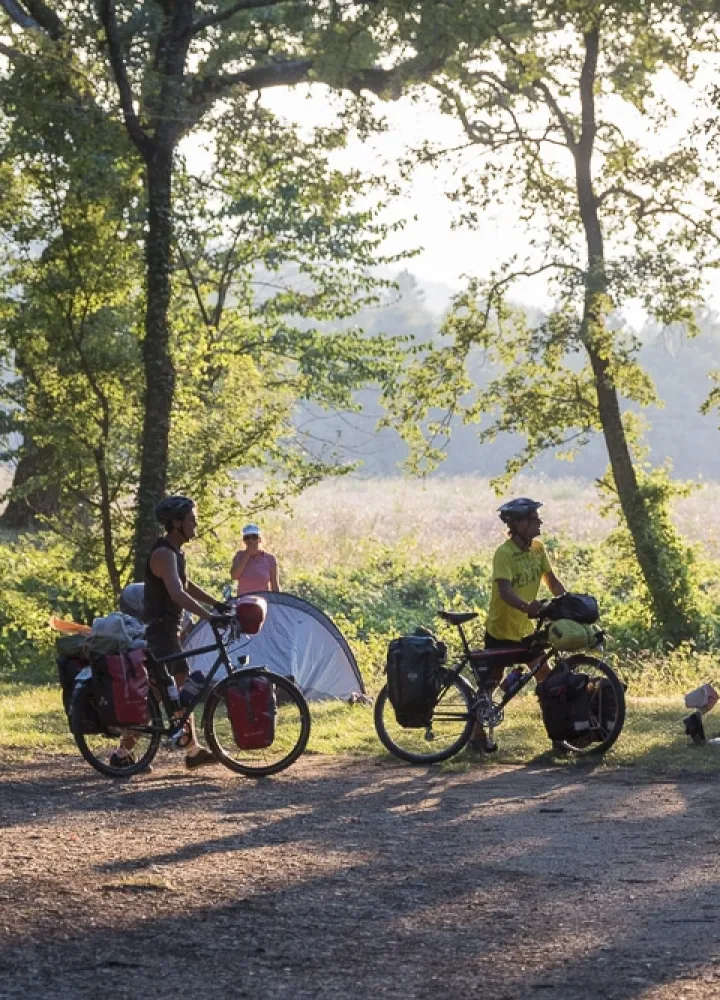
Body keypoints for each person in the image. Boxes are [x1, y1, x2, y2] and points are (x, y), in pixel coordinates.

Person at [111, 495, 228, 771]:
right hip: (160, 633)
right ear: (176, 523)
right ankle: (121, 755)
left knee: (174, 690)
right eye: (191, 520)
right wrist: (209, 616)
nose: (195, 524)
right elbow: (176, 594)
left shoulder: (175, 553)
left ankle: (191, 749)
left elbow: (186, 586)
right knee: (159, 694)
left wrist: (217, 604)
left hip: (169, 633)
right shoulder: (163, 553)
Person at [470, 496, 566, 753]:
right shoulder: (504, 554)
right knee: (491, 681)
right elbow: (505, 591)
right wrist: (527, 607)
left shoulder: (538, 549)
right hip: (501, 629)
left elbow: (553, 582)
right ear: (518, 525)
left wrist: (568, 603)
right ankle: (476, 737)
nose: (539, 522)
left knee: (546, 677)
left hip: (527, 631)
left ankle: (559, 734)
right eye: (533, 519)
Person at [230, 523, 280, 596]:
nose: (251, 541)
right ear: (244, 540)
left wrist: (277, 602)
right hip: (243, 602)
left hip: (263, 602)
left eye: (254, 537)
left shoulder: (270, 559)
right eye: (247, 538)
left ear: (259, 539)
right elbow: (234, 576)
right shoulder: (239, 555)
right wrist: (246, 554)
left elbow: (274, 585)